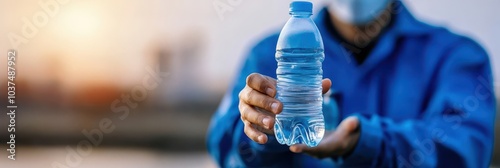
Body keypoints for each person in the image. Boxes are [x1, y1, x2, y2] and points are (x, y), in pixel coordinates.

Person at [207, 0, 496, 167]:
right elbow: (224, 149)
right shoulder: (264, 54)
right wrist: (261, 134)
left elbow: (463, 151)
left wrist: (365, 143)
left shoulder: (456, 56)